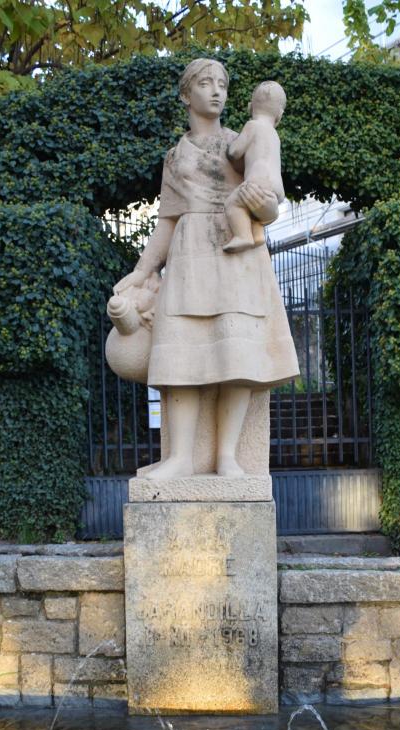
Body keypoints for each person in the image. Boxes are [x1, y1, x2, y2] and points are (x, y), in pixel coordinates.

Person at [109, 58, 299, 480]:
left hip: (237, 254)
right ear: (186, 94)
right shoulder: (174, 157)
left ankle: (227, 456)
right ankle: (181, 458)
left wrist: (266, 207)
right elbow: (167, 221)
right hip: (189, 255)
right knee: (179, 356)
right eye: (206, 83)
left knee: (239, 355)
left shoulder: (242, 140)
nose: (216, 91)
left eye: (222, 85)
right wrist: (142, 271)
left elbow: (269, 200)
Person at [223, 81, 286, 254]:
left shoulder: (252, 126)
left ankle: (243, 236)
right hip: (277, 190)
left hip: (258, 181)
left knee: (233, 204)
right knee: (252, 210)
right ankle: (258, 235)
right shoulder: (275, 136)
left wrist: (230, 146)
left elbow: (234, 152)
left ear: (250, 107)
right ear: (279, 115)